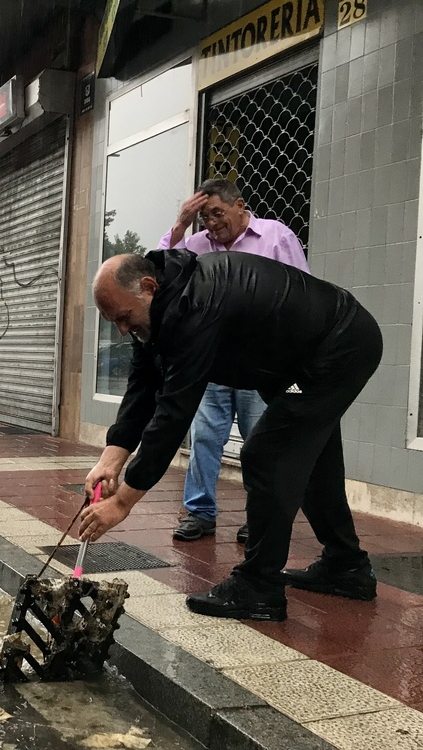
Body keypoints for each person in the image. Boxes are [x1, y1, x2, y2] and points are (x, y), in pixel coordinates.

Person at [79, 250, 381, 621]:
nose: (123, 330)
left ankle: (259, 587)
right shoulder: (161, 310)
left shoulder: (194, 306)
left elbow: (174, 412)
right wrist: (111, 459)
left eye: (124, 318)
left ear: (148, 287)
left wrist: (123, 502)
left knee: (268, 455)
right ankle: (346, 567)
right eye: (114, 323)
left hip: (339, 346)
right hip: (301, 360)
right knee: (313, 461)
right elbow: (144, 386)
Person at [159, 179, 309, 544]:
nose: (210, 223)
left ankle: (259, 516)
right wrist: (180, 225)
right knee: (205, 437)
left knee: (259, 442)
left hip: (261, 361)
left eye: (217, 213)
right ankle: (199, 512)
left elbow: (302, 289)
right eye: (203, 216)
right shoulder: (194, 246)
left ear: (239, 206)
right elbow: (161, 273)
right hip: (212, 360)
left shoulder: (275, 236)